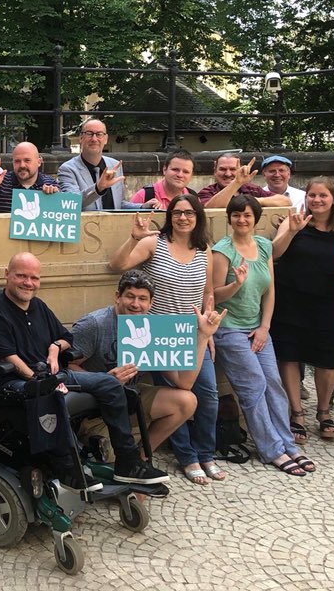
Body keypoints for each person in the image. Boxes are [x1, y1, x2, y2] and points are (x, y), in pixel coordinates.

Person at [0, 253, 169, 485]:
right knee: (50, 392)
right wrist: (38, 380)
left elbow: (66, 337)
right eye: (21, 276)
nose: (28, 283)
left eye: (34, 278)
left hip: (51, 374)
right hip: (15, 380)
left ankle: (128, 462)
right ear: (7, 275)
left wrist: (54, 347)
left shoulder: (38, 306)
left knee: (109, 382)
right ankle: (67, 468)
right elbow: (7, 355)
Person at [109, 195, 220, 485]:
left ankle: (206, 453)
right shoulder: (154, 243)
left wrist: (207, 329)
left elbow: (208, 292)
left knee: (207, 394)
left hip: (194, 333)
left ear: (198, 217)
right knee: (174, 391)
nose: (183, 218)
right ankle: (188, 457)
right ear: (170, 216)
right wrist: (133, 239)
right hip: (160, 333)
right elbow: (117, 264)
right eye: (178, 212)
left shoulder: (204, 249)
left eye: (190, 213)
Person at [213, 195, 316, 476]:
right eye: (236, 215)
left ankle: (287, 443)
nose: (242, 219)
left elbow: (270, 290)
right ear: (230, 218)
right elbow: (212, 295)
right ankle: (271, 449)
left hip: (258, 327)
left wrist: (264, 327)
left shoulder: (263, 246)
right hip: (228, 329)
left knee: (273, 383)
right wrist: (236, 284)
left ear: (255, 218)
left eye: (247, 215)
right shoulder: (222, 251)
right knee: (254, 386)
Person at [68, 270, 210, 455]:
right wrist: (103, 380)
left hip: (129, 398)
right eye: (130, 296)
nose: (136, 304)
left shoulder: (153, 327)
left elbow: (184, 382)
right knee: (111, 459)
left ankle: (143, 455)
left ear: (151, 303)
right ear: (118, 297)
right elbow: (66, 367)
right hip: (96, 407)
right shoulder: (94, 324)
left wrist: (204, 335)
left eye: (142, 299)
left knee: (186, 401)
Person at [271, 178, 334, 444]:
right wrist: (292, 231)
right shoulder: (294, 221)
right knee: (289, 357)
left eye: (322, 196)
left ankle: (324, 411)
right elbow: (273, 254)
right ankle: (296, 413)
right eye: (312, 195)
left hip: (326, 302)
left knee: (326, 361)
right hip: (290, 301)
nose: (316, 200)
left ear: (333, 200)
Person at [57, 118, 136, 210]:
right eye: (89, 134)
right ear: (81, 138)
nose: (94, 139)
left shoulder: (115, 165)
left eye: (99, 134)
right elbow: (72, 203)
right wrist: (98, 188)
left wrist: (143, 206)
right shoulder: (68, 169)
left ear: (106, 139)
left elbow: (119, 204)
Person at [0, 141, 66, 213]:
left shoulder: (51, 184)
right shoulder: (0, 183)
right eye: (17, 161)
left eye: (27, 160)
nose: (22, 165)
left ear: (39, 162)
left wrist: (56, 197)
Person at [197, 155, 292, 208]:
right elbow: (210, 207)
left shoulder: (252, 190)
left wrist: (253, 201)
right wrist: (236, 183)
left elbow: (285, 201)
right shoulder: (206, 192)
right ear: (215, 171)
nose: (228, 174)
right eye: (222, 169)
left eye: (233, 169)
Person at [129, 149, 197, 209]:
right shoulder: (144, 195)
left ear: (191, 176)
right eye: (175, 169)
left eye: (186, 172)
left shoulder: (194, 198)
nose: (180, 175)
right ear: (164, 170)